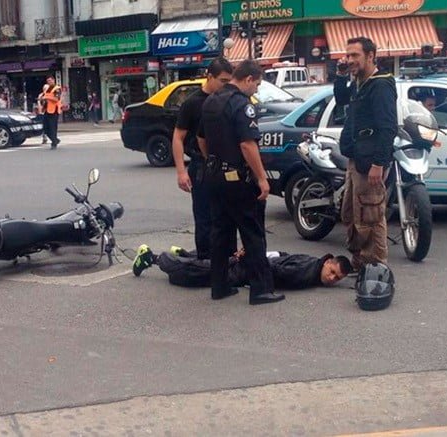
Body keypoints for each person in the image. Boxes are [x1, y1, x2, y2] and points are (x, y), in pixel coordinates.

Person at [197, 59, 284, 306]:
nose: (256, 90)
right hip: (238, 180)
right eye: (256, 84)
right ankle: (261, 290)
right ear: (247, 79)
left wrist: (213, 160)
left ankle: (220, 286)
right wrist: (261, 178)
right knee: (253, 233)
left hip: (214, 176)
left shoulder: (211, 100)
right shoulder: (241, 104)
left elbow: (201, 138)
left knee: (220, 233)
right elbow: (247, 144)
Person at [334, 36, 397, 269]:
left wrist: (378, 164)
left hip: (370, 162)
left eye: (355, 56)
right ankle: (359, 261)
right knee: (351, 213)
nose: (350, 60)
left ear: (371, 56)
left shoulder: (380, 85)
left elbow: (387, 127)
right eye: (347, 55)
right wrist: (341, 75)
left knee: (370, 216)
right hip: (356, 158)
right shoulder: (360, 81)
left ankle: (375, 268)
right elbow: (341, 99)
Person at [171, 58, 233, 261]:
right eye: (223, 81)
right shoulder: (192, 103)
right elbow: (178, 137)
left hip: (223, 165)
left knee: (225, 215)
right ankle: (205, 261)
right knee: (205, 217)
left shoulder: (227, 100)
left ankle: (227, 259)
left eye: (229, 81)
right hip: (200, 165)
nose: (225, 85)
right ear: (209, 77)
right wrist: (181, 171)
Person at [132, 244, 352, 289]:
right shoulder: (307, 272)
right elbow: (276, 268)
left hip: (248, 264)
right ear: (328, 262)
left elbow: (281, 256)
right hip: (244, 269)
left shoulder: (311, 262)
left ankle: (183, 254)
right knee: (188, 274)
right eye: (333, 272)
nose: (332, 278)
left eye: (337, 278)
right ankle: (150, 257)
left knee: (204, 267)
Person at [41, 75, 61, 149]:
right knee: (45, 128)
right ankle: (55, 140)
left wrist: (47, 97)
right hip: (47, 110)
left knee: (52, 127)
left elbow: (56, 99)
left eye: (50, 80)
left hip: (54, 111)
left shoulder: (57, 88)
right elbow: (45, 99)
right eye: (48, 81)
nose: (49, 82)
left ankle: (54, 143)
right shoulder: (47, 89)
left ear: (53, 80)